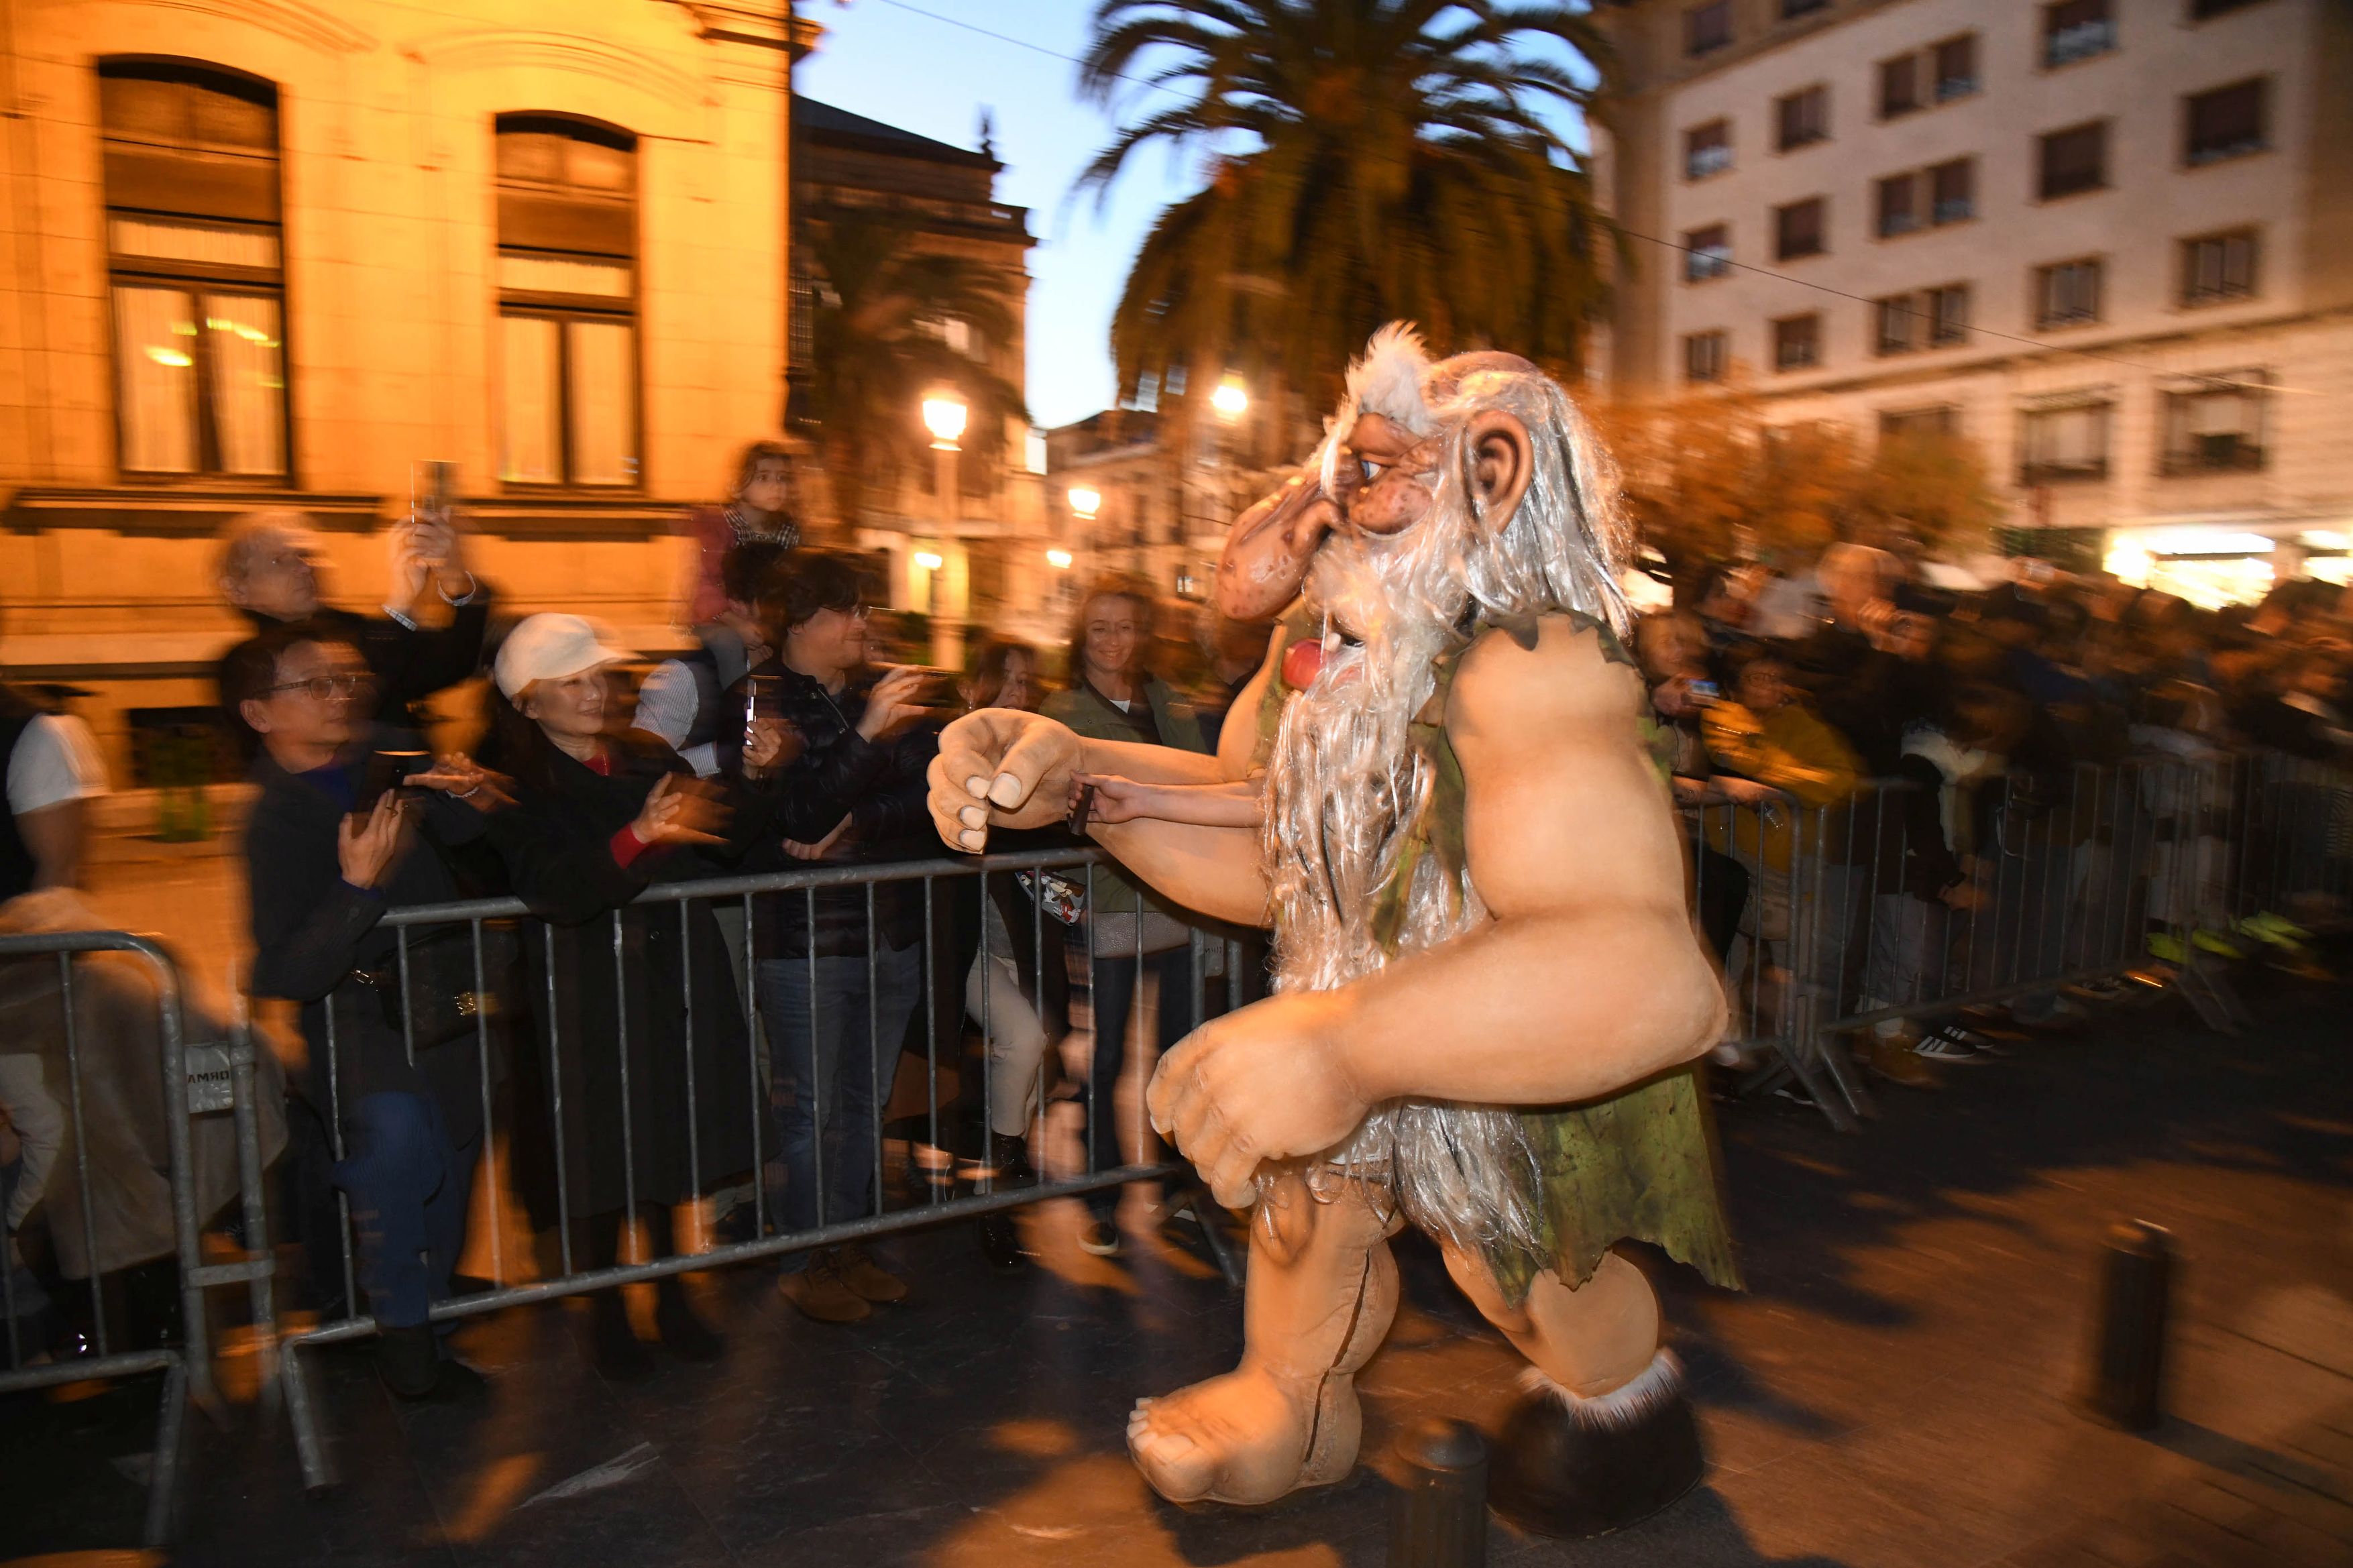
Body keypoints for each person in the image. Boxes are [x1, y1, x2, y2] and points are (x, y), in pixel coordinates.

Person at [931, 330, 1737, 1536]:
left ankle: (1623, 1401)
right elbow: (1275, 847)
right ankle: (1289, 1403)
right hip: (1361, 999)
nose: (1333, 507)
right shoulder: (1338, 652)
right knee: (1306, 1198)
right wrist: (1083, 780)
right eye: (1343, 468)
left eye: (1375, 470)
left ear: (1496, 470)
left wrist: (1342, 1046)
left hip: (1487, 1032)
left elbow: (1647, 973)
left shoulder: (1536, 669)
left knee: (1499, 1257)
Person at [476, 614, 763, 1376]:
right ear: (528, 704)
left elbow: (727, 830)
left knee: (666, 1137)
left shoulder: (642, 754)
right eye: (571, 681)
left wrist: (753, 782)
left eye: (599, 675)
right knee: (598, 1153)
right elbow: (552, 885)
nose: (595, 691)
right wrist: (635, 837)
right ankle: (604, 1308)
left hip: (667, 976)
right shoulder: (514, 787)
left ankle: (670, 1294)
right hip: (579, 989)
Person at [229, 623, 499, 1399]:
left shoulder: (389, 750)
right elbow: (282, 970)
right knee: (394, 1150)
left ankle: (433, 1318)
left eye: (346, 678)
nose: (339, 694)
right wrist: (355, 890)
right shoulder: (270, 820)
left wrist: (469, 789)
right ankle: (407, 1345)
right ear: (259, 713)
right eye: (313, 683)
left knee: (451, 1157)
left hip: (446, 996)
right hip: (355, 1019)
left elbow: (472, 831)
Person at [726, 553, 936, 1325]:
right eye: (848, 610)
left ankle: (849, 1242)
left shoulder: (883, 691)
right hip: (805, 943)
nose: (863, 624)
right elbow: (795, 821)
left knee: (862, 1103)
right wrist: (871, 738)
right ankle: (806, 1254)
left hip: (889, 931)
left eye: (863, 609)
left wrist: (860, 816)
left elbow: (928, 793)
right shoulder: (758, 703)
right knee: (808, 1108)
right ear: (801, 622)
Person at [1039, 578, 1211, 1258]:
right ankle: (1100, 1198)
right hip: (1110, 899)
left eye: (1127, 628)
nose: (1115, 641)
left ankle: (1179, 1185)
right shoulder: (1063, 710)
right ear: (1082, 639)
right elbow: (1067, 807)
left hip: (1176, 899)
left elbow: (1203, 777)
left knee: (1179, 1054)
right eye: (1101, 629)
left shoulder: (1168, 699)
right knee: (1105, 1055)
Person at [215, 507, 494, 750]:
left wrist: (459, 580)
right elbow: (362, 695)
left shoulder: (352, 628)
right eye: (280, 560)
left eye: (306, 555)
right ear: (238, 590)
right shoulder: (246, 664)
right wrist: (400, 605)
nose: (305, 568)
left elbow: (450, 664)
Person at [636, 538, 795, 779]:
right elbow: (644, 767)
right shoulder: (685, 675)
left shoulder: (787, 673)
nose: (788, 614)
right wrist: (728, 753)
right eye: (777, 602)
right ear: (739, 606)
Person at [680, 440, 804, 628]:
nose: (776, 487)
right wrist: (734, 620)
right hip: (719, 621)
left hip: (768, 624)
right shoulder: (718, 527)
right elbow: (705, 583)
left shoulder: (788, 531)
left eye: (782, 478)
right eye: (763, 478)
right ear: (738, 486)